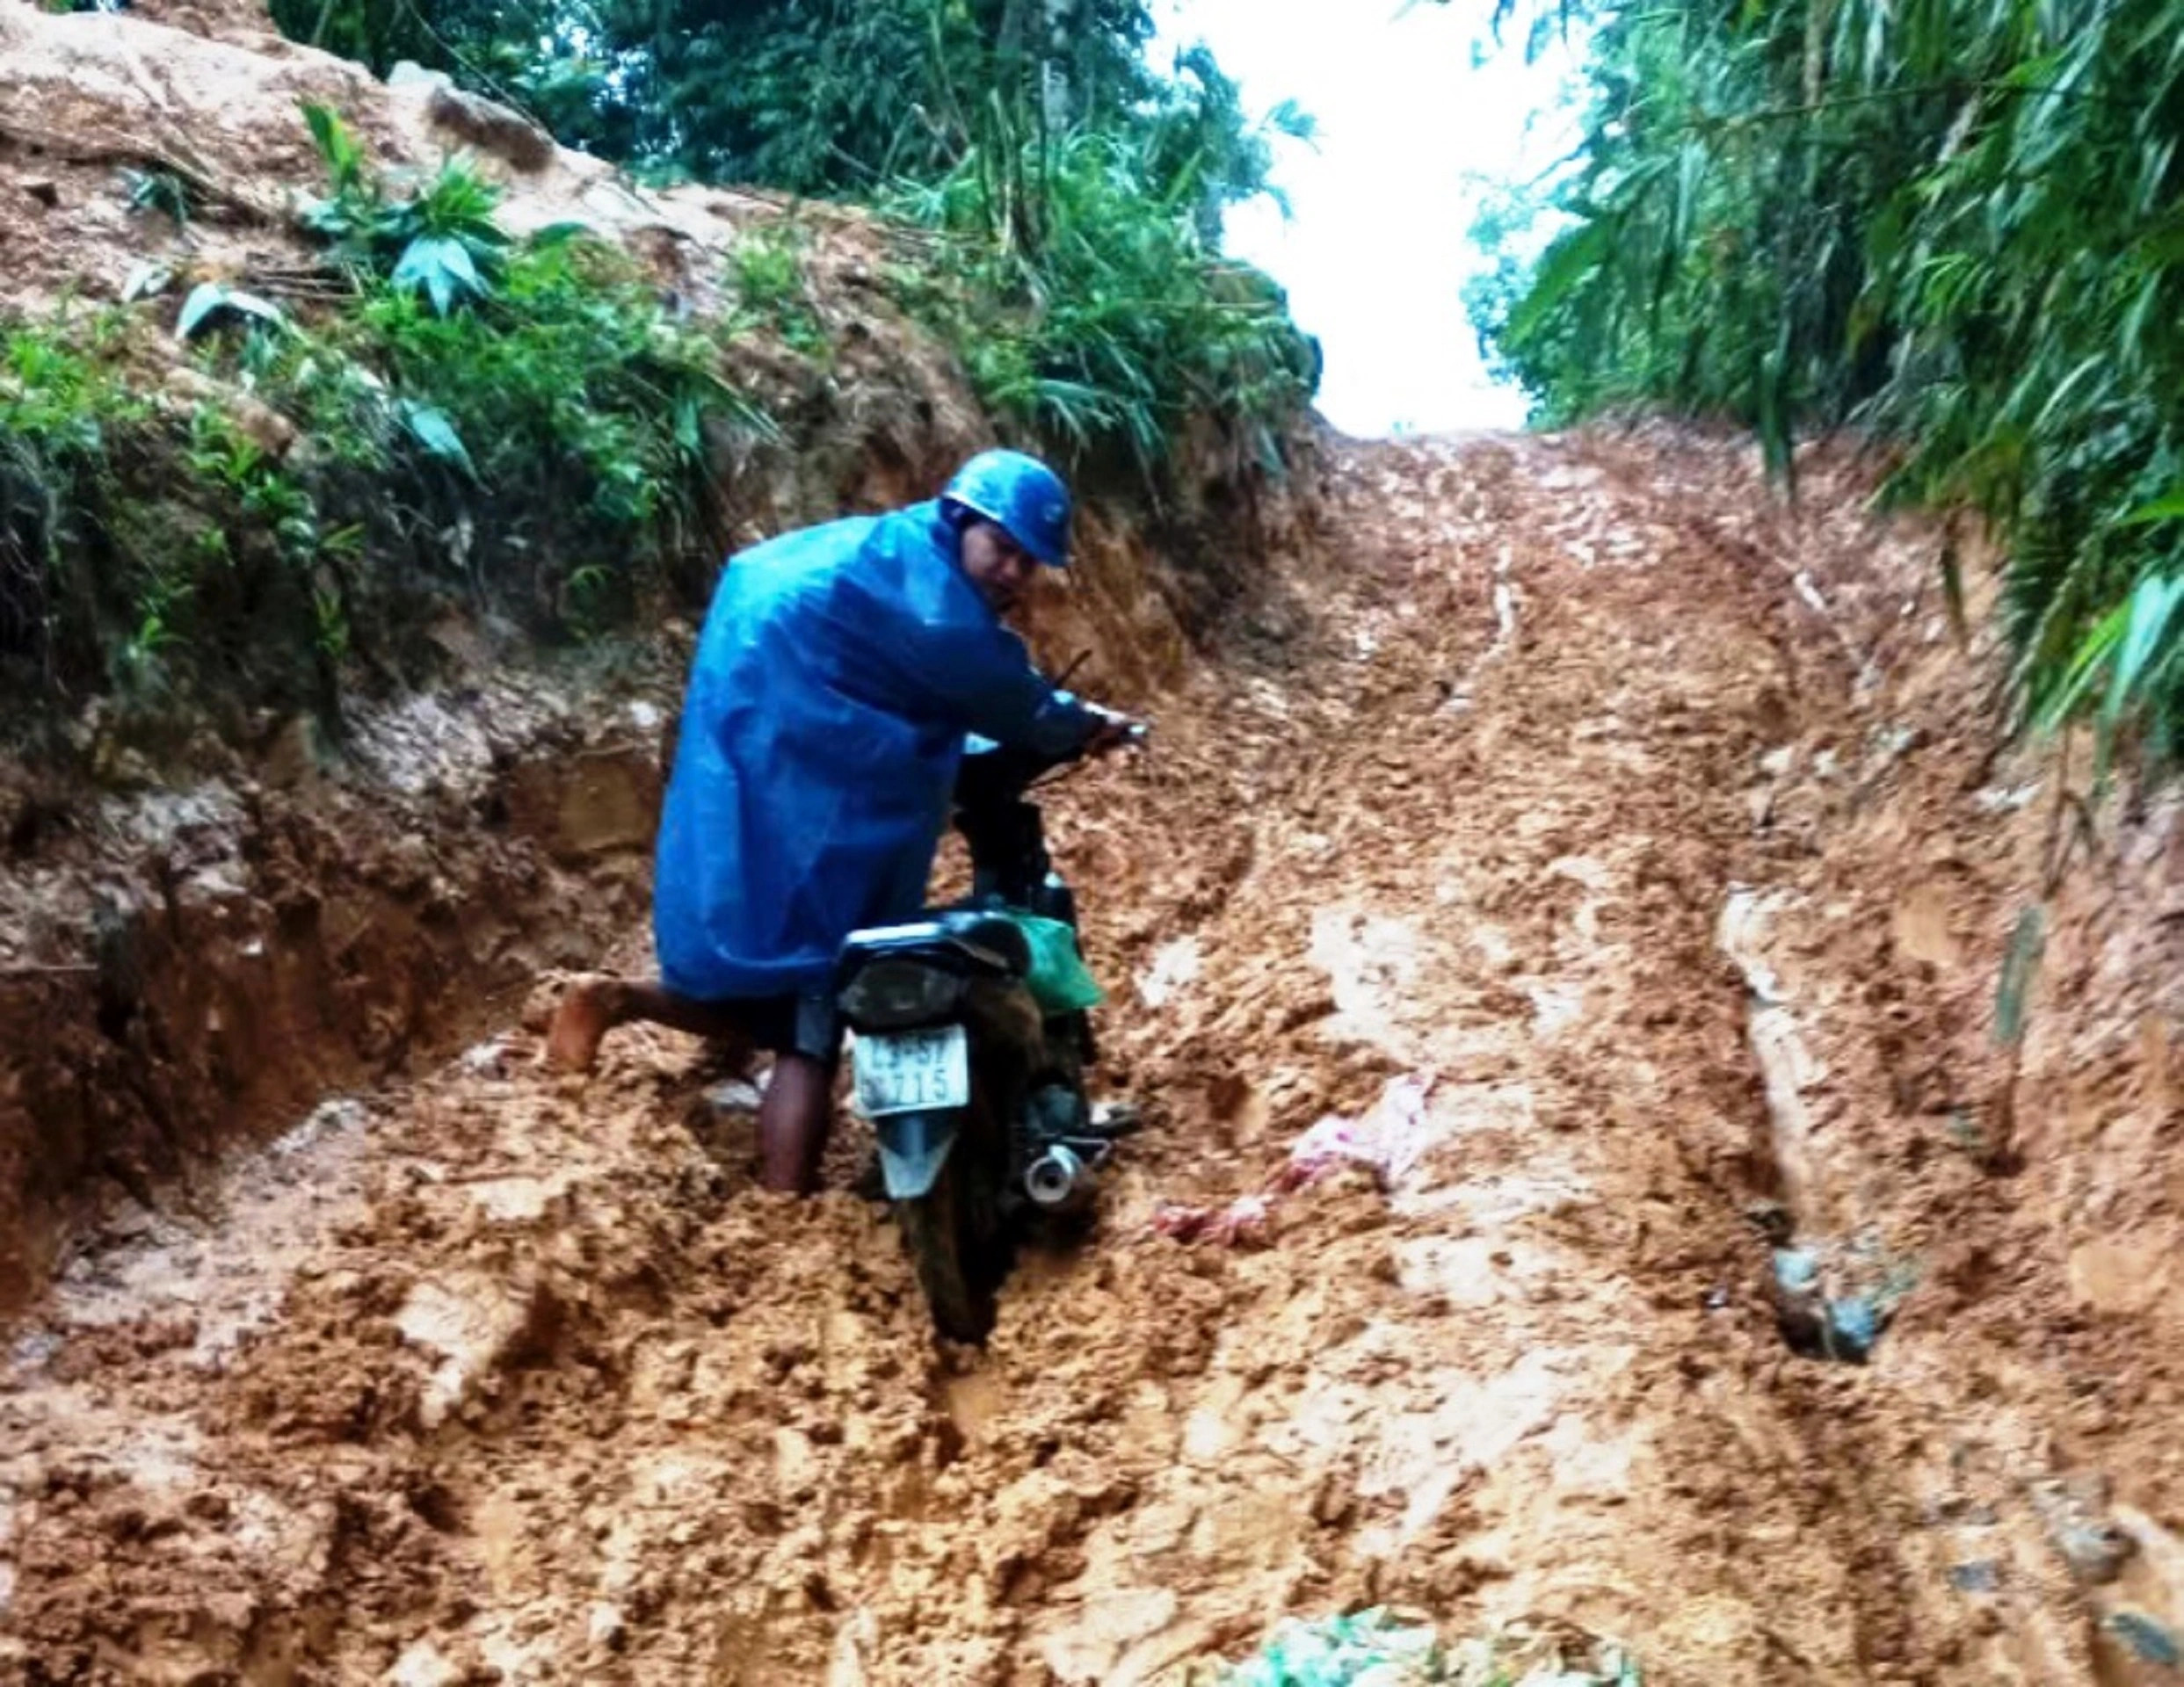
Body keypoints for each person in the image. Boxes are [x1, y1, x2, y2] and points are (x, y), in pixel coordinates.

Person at [545, 448, 1138, 1192]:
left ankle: (624, 999)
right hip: (804, 741)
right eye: (1003, 549)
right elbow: (1008, 698)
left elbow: (892, 674)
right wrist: (1082, 724)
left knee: (768, 954)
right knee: (817, 1001)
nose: (1013, 573)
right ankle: (786, 1201)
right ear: (962, 519)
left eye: (1030, 562)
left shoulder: (891, 549)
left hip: (764, 716)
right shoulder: (937, 607)